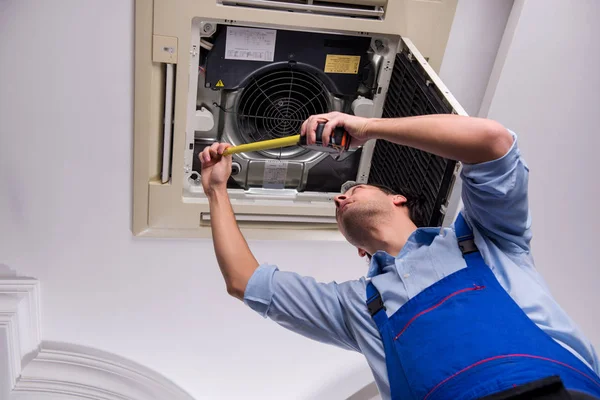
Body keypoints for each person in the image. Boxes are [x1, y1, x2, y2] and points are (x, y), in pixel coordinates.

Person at [199, 112, 600, 399]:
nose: (341, 196)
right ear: (359, 250)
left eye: (355, 186)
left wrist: (369, 128)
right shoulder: (356, 305)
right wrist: (217, 189)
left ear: (399, 198)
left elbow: (492, 143)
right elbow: (244, 281)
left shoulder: (486, 237)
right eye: (340, 200)